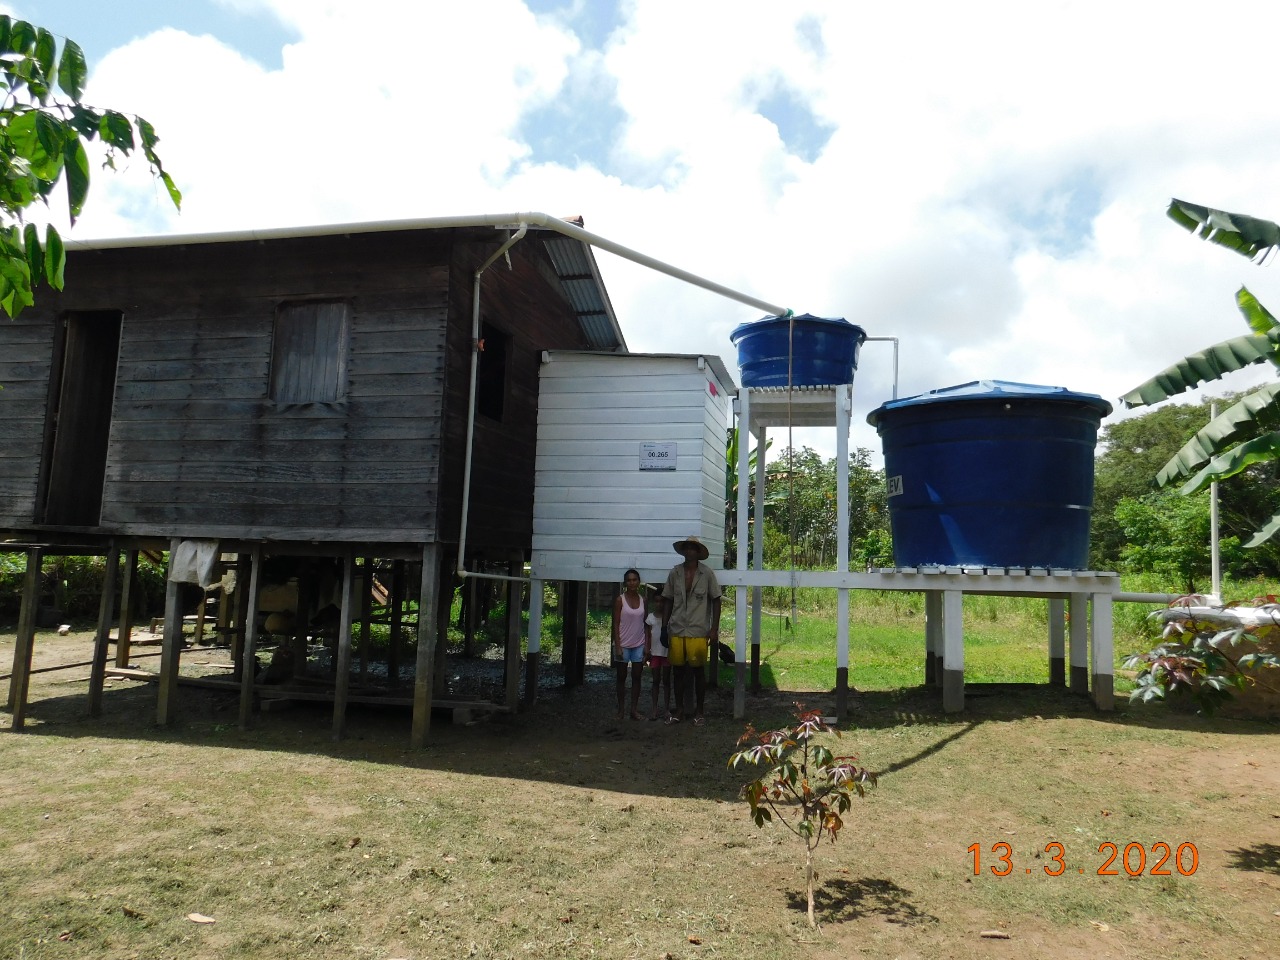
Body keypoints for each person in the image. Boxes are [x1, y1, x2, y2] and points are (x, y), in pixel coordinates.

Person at [661, 535, 721, 726]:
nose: (689, 552)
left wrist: (714, 628)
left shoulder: (707, 574)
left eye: (692, 548)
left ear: (698, 552)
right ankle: (679, 710)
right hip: (677, 627)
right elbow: (668, 599)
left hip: (698, 628)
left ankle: (700, 711)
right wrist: (664, 627)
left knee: (698, 671)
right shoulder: (675, 573)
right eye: (686, 548)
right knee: (677, 671)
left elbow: (716, 599)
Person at [611, 568, 649, 721]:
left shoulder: (643, 600)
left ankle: (634, 710)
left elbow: (646, 624)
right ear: (625, 583)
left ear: (639, 582)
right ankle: (621, 710)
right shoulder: (620, 600)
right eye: (629, 580)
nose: (632, 583)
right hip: (623, 644)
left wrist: (647, 645)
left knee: (637, 676)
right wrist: (618, 645)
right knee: (621, 677)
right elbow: (615, 623)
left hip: (639, 643)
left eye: (634, 580)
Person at [646, 584, 673, 720]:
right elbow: (647, 636)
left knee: (666, 681)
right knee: (656, 680)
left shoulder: (670, 618)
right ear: (653, 602)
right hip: (654, 653)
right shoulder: (650, 618)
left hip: (667, 653)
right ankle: (654, 709)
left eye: (662, 601)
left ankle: (667, 709)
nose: (659, 604)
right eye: (657, 601)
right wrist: (647, 650)